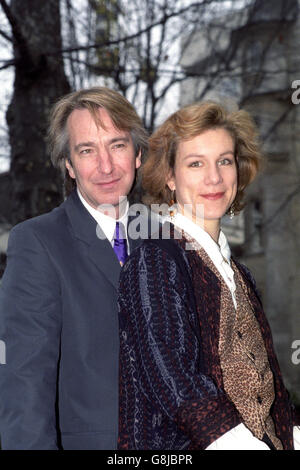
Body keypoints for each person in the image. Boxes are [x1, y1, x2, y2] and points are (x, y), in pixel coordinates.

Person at [117, 101, 300, 450]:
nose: (214, 177)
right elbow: (175, 382)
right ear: (170, 176)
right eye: (196, 163)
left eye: (225, 161)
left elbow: (270, 388)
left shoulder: (238, 272)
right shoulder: (156, 258)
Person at [0, 86, 148, 450]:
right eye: (86, 150)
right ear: (68, 165)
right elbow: (24, 381)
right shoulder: (38, 243)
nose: (106, 166)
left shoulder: (168, 239)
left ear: (138, 154)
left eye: (117, 145)